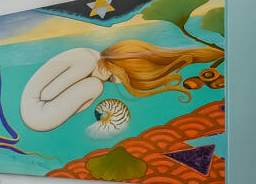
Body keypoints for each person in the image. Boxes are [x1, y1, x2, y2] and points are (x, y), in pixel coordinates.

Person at [20, 41, 224, 131]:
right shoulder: (87, 62)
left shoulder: (89, 56)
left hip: (39, 110)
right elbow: (47, 93)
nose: (115, 83)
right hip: (37, 110)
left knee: (94, 86)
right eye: (120, 78)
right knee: (94, 86)